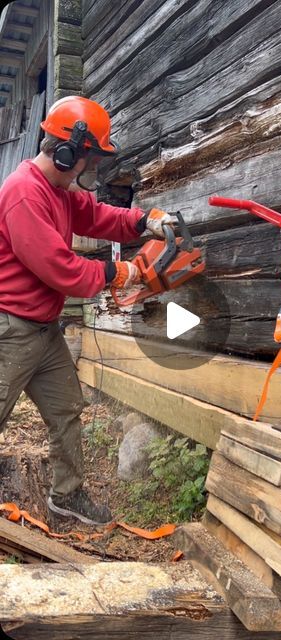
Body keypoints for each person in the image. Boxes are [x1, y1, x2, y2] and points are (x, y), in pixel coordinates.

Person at [0, 95, 172, 525]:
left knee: (65, 410)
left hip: (44, 330)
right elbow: (61, 269)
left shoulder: (58, 190)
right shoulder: (24, 194)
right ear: (67, 151)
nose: (87, 169)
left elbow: (95, 215)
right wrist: (121, 272)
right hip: (12, 329)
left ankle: (67, 496)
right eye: (87, 158)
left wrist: (143, 222)